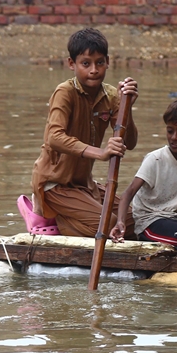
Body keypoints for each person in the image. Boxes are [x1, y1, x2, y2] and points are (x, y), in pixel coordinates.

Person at [29, 28, 139, 237]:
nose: (94, 70)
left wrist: (127, 107)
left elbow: (130, 142)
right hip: (55, 185)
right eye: (86, 63)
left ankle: (71, 215)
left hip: (84, 184)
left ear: (108, 61)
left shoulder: (112, 96)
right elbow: (54, 138)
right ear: (72, 64)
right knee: (109, 223)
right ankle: (59, 222)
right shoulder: (65, 92)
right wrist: (101, 152)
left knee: (132, 221)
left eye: (99, 62)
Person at [109, 98, 177, 257]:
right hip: (150, 222)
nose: (174, 137)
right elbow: (128, 193)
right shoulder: (155, 159)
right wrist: (120, 222)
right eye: (170, 131)